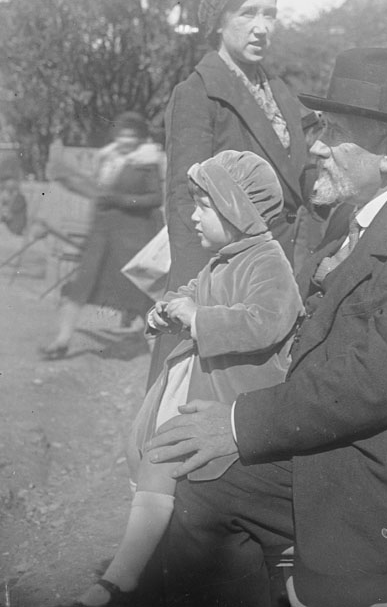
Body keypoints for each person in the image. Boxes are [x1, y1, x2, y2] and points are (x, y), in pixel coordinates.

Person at [147, 49, 387, 607]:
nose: (314, 146)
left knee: (206, 490)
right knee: (196, 479)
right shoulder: (366, 212)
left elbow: (376, 381)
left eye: (334, 132)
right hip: (355, 440)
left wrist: (238, 423)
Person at [65, 150, 303, 607]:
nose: (194, 216)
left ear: (238, 210)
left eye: (204, 206)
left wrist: (200, 318)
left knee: (201, 480)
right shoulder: (223, 260)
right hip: (203, 384)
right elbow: (193, 292)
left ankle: (290, 574)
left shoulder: (267, 263)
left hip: (240, 396)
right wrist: (169, 308)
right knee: (161, 453)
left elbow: (268, 320)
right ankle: (125, 573)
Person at [149, 0, 311, 388]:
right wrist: (197, 298)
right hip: (227, 277)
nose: (261, 27)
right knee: (203, 400)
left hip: (278, 269)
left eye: (270, 14)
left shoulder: (278, 91)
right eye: (247, 13)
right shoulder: (198, 94)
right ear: (218, 20)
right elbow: (186, 207)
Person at [41, 112, 164, 359]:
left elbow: (155, 198)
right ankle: (62, 341)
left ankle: (159, 349)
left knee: (138, 294)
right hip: (101, 235)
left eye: (132, 135)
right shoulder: (107, 158)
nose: (126, 140)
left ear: (140, 138)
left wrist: (118, 199)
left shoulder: (146, 162)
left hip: (131, 237)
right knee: (81, 286)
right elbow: (97, 194)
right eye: (121, 134)